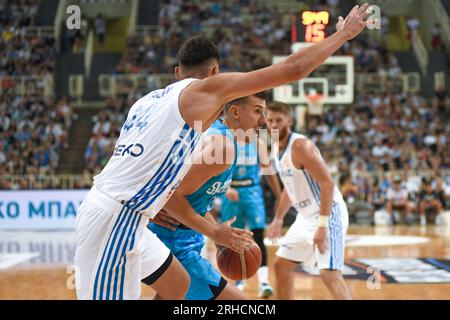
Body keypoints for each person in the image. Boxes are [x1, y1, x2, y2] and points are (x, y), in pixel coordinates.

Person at [74, 4, 370, 300]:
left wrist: (159, 202)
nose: (264, 121)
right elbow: (293, 69)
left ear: (178, 72)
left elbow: (138, 165)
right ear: (216, 72)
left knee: (177, 285)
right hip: (117, 219)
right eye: (257, 111)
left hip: (126, 213)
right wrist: (343, 34)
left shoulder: (149, 101)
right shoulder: (205, 101)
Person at [149, 93, 267, 300]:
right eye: (258, 111)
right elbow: (170, 195)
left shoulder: (218, 136)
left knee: (170, 296)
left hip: (184, 237)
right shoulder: (222, 146)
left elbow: (191, 201)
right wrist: (215, 233)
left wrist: (222, 238)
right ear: (235, 112)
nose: (264, 120)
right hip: (173, 241)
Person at [266, 101, 352, 300]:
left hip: (328, 214)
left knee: (330, 275)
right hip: (305, 218)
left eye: (279, 120)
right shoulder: (275, 148)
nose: (274, 125)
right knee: (281, 265)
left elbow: (328, 184)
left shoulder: (301, 146)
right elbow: (290, 187)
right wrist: (278, 218)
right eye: (270, 120)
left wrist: (322, 225)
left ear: (290, 120)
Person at [220, 132, 281, 297]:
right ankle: (239, 280)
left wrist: (279, 195)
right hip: (231, 191)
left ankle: (264, 283)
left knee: (259, 236)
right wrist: (225, 189)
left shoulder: (257, 143)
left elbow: (269, 171)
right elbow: (214, 173)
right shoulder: (225, 140)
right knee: (233, 239)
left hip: (252, 191)